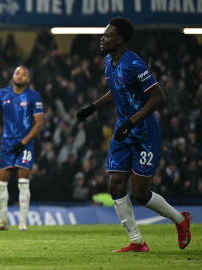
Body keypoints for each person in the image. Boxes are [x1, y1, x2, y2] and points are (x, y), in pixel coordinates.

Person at [75, 17, 191, 252]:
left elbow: (159, 97)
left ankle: (181, 220)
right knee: (115, 185)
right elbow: (117, 90)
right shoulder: (109, 61)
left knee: (140, 193)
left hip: (144, 132)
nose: (102, 38)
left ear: (119, 40)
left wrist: (132, 121)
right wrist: (94, 107)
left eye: (107, 35)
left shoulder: (135, 64)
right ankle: (137, 241)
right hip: (123, 129)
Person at [0, 67, 44, 232]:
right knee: (0, 181)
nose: (19, 76)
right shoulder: (2, 94)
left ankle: (22, 223)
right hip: (6, 143)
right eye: (17, 73)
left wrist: (23, 142)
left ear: (28, 80)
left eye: (23, 74)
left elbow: (39, 124)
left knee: (22, 181)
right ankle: (3, 220)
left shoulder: (34, 96)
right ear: (12, 76)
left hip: (25, 144)